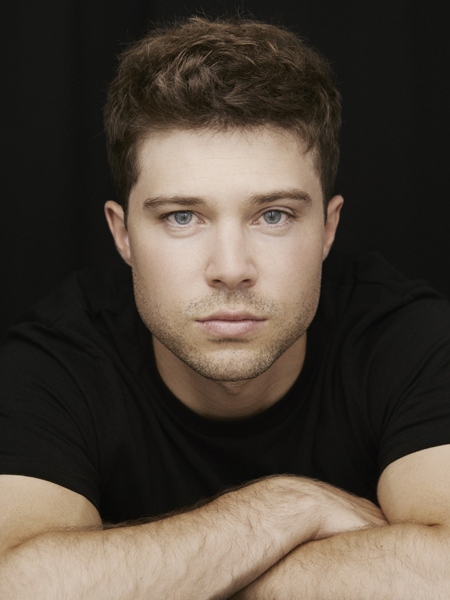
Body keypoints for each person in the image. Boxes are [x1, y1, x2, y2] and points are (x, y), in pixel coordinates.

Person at [1, 15, 450, 599]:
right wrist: (288, 506)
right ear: (123, 234)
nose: (231, 267)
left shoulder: (406, 339)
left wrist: (175, 577)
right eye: (182, 217)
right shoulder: (57, 359)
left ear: (328, 228)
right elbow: (16, 584)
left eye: (273, 215)